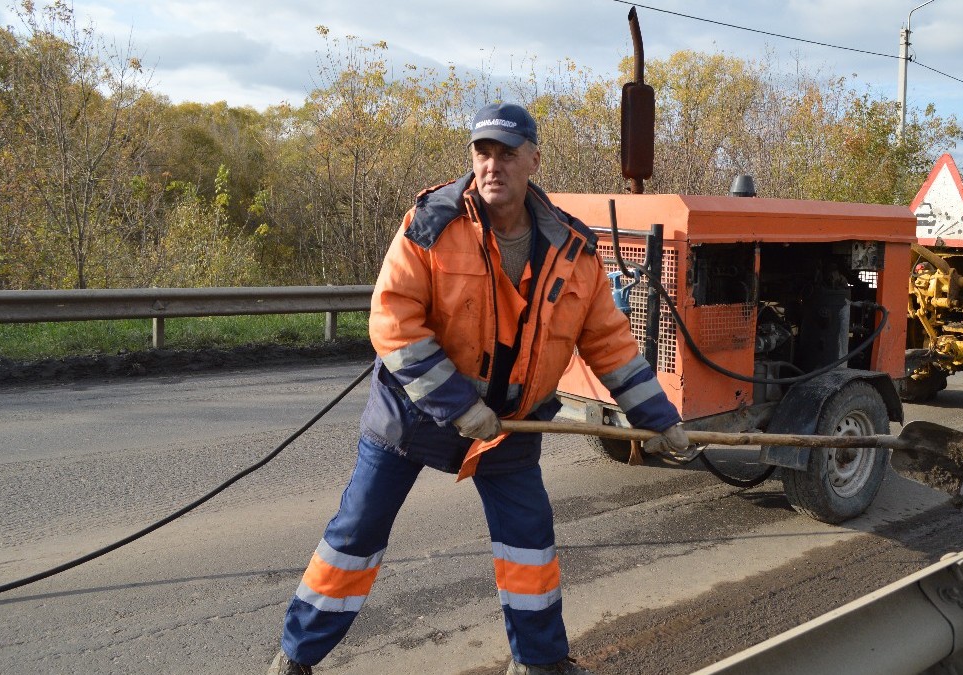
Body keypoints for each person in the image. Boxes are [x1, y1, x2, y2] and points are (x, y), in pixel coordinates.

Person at [268, 102, 690, 675]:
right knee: (356, 534)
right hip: (412, 416)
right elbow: (393, 320)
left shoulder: (574, 250)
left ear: (533, 161)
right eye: (482, 152)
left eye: (507, 153)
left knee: (529, 544)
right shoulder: (432, 223)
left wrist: (660, 420)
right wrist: (458, 406)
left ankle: (539, 663)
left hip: (510, 424)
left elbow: (612, 347)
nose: (492, 165)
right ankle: (296, 657)